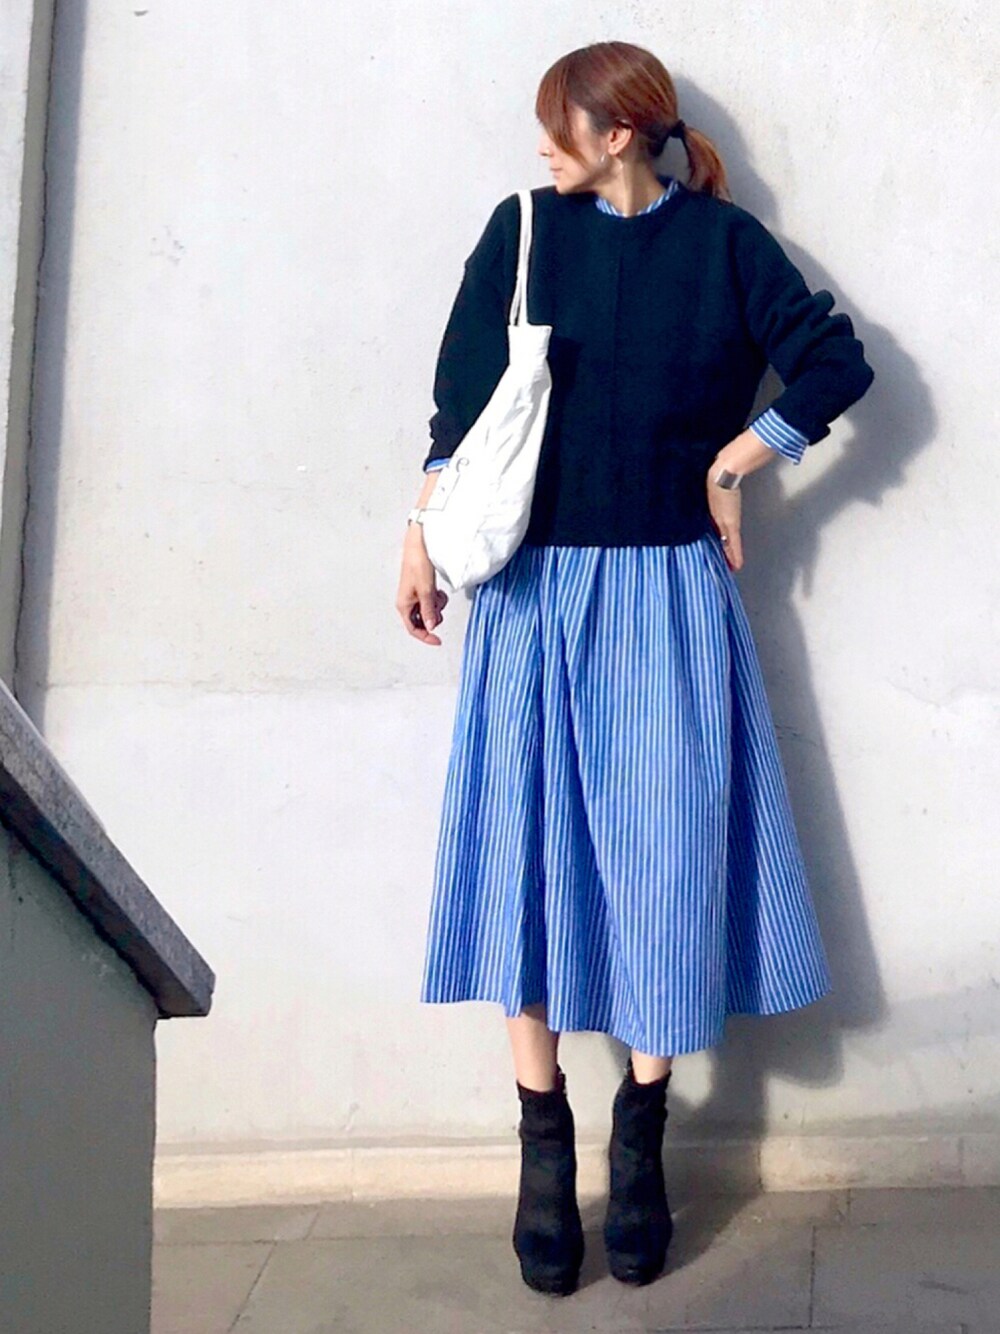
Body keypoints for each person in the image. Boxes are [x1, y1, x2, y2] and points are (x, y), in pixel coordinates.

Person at [395, 39, 874, 1297]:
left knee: (662, 861)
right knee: (527, 853)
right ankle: (542, 1138)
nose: (537, 147)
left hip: (666, 595)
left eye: (556, 126)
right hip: (528, 595)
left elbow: (838, 361)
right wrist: (418, 533)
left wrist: (736, 459)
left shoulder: (723, 247)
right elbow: (458, 403)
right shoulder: (520, 233)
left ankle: (641, 1132)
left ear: (616, 133)